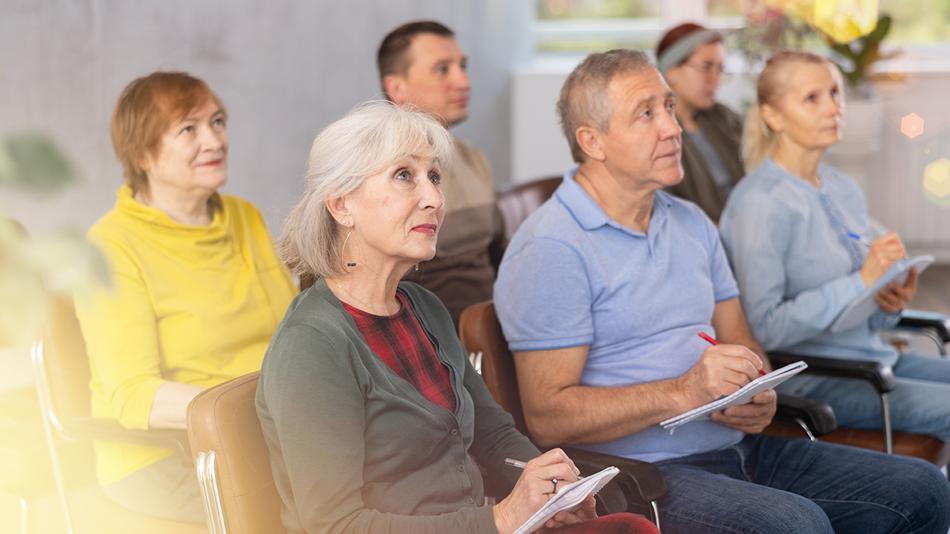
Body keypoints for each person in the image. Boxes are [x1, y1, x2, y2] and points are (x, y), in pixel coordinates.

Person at [494, 49, 950, 534]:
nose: (673, 128)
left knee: (923, 489)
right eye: (646, 114)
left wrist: (757, 392)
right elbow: (548, 417)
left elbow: (744, 342)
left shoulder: (690, 223)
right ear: (593, 141)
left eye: (669, 107)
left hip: (733, 446)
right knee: (798, 525)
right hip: (641, 476)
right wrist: (685, 391)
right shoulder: (551, 246)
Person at [256, 101, 656, 534]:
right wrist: (499, 518)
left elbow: (491, 433)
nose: (434, 199)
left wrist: (548, 488)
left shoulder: (422, 306)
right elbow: (334, 526)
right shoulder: (312, 344)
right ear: (341, 205)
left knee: (628, 527)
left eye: (434, 177)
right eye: (404, 176)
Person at [74, 71, 297, 522]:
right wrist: (251, 415)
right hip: (164, 455)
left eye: (217, 122)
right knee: (316, 504)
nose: (214, 140)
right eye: (188, 130)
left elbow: (290, 329)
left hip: (269, 432)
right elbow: (134, 395)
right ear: (143, 154)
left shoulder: (244, 215)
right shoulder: (110, 247)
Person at [719, 50, 950, 444]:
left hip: (872, 358)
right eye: (813, 98)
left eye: (834, 93)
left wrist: (887, 302)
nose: (833, 107)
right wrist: (862, 279)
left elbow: (863, 310)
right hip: (818, 378)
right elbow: (765, 329)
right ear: (773, 116)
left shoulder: (841, 186)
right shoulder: (759, 204)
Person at [377, 20, 503, 324]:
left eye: (463, 66)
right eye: (442, 69)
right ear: (397, 88)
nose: (463, 82)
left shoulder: (474, 160)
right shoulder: (382, 174)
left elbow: (498, 258)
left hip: (495, 336)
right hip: (432, 345)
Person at [657, 23, 744, 222]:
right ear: (671, 71)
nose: (716, 79)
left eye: (720, 69)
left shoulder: (724, 117)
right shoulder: (655, 134)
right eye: (706, 67)